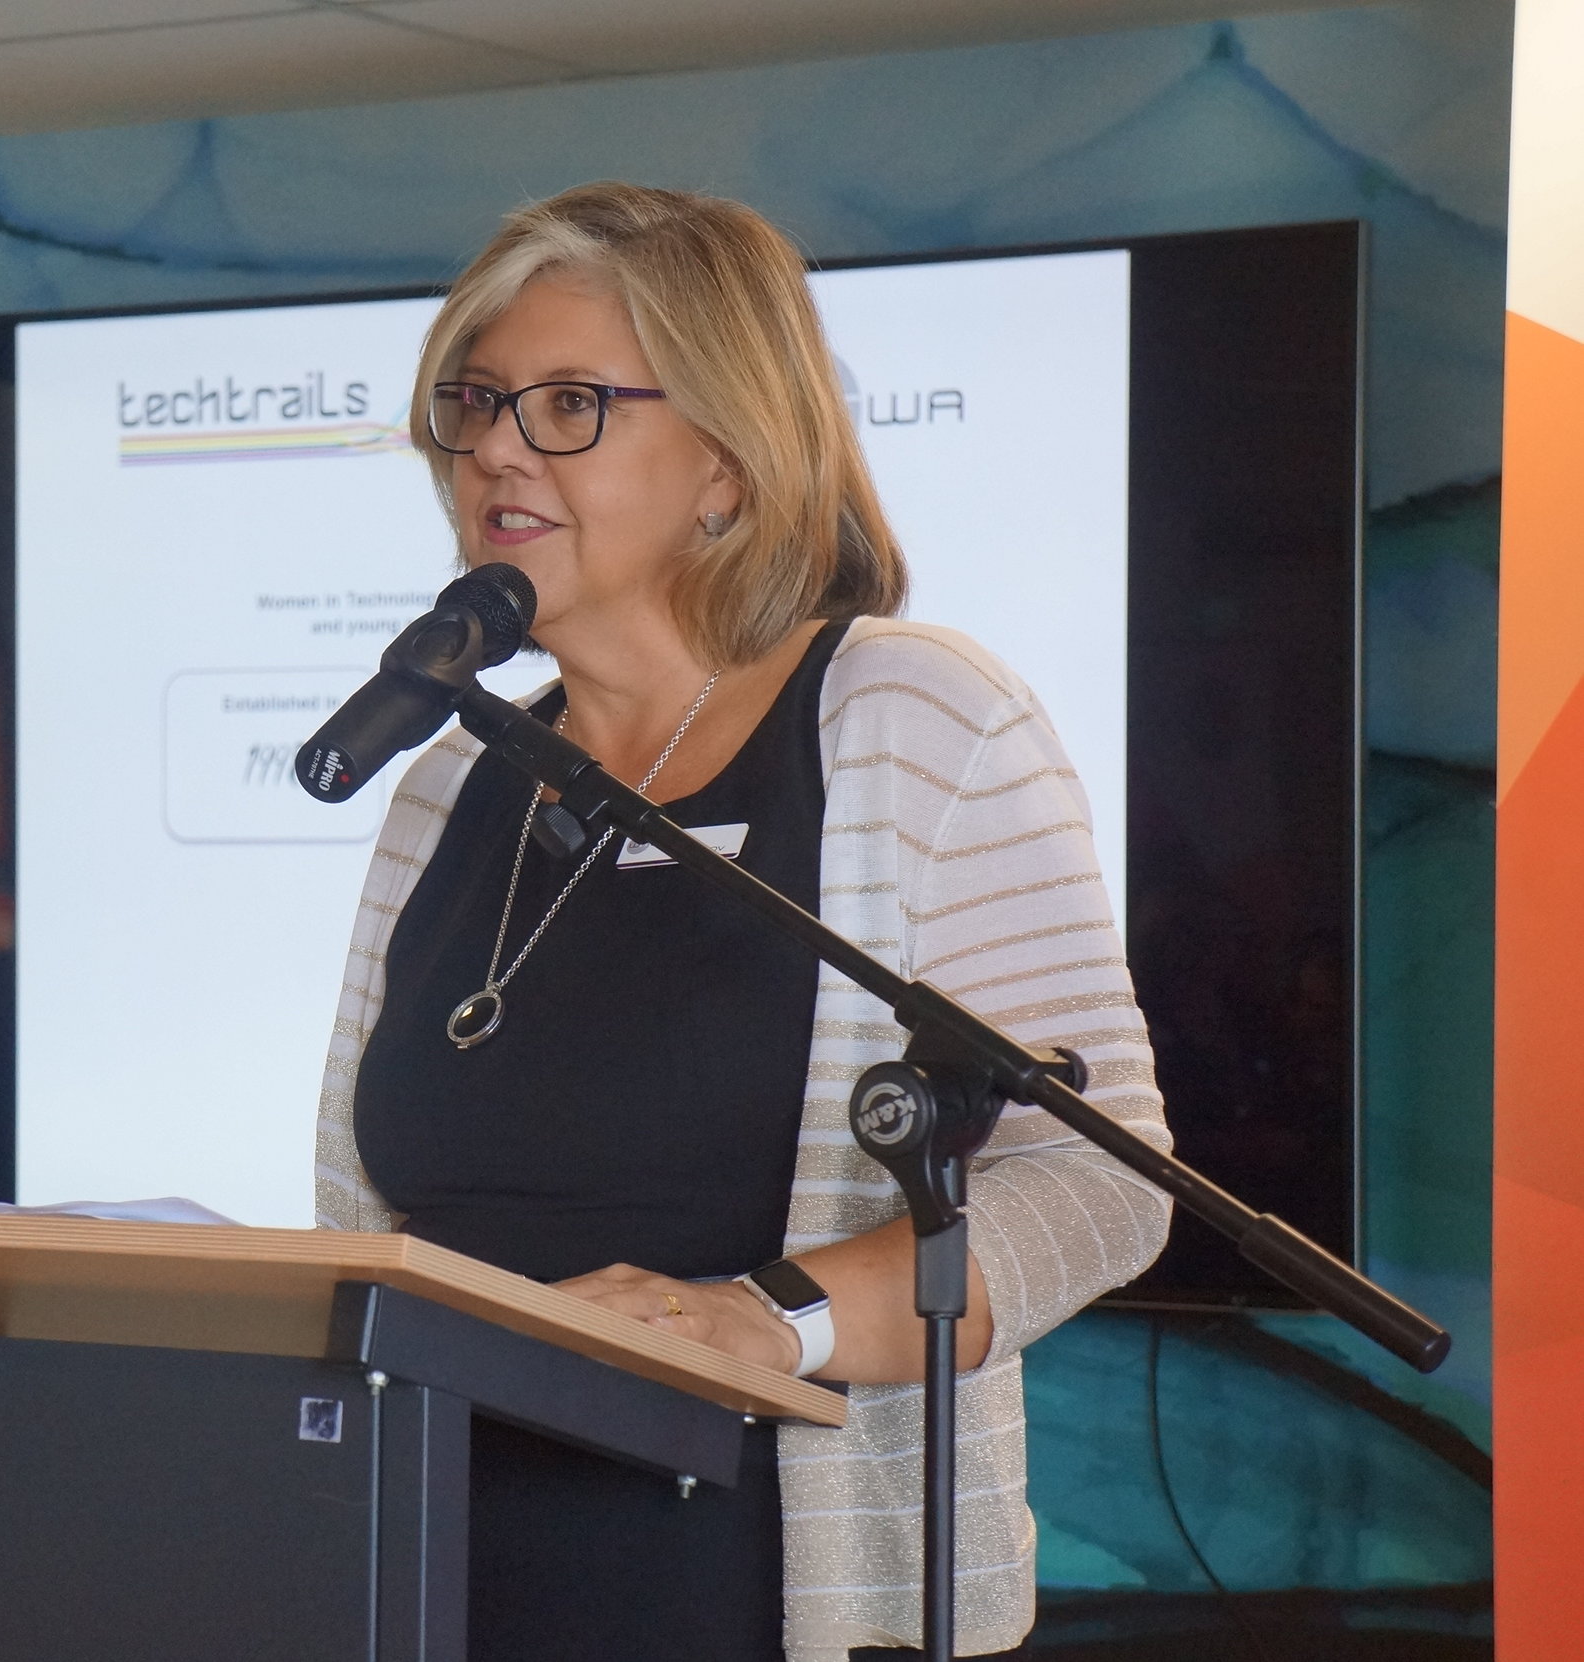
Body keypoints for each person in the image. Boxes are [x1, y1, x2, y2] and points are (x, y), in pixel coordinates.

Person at [312, 182, 1173, 1662]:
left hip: (745, 1588)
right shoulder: (449, 783)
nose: (498, 448)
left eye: (569, 404)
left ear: (725, 461)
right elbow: (363, 1229)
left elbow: (1099, 1185)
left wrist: (772, 1320)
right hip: (432, 1572)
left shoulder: (910, 717)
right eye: (475, 402)